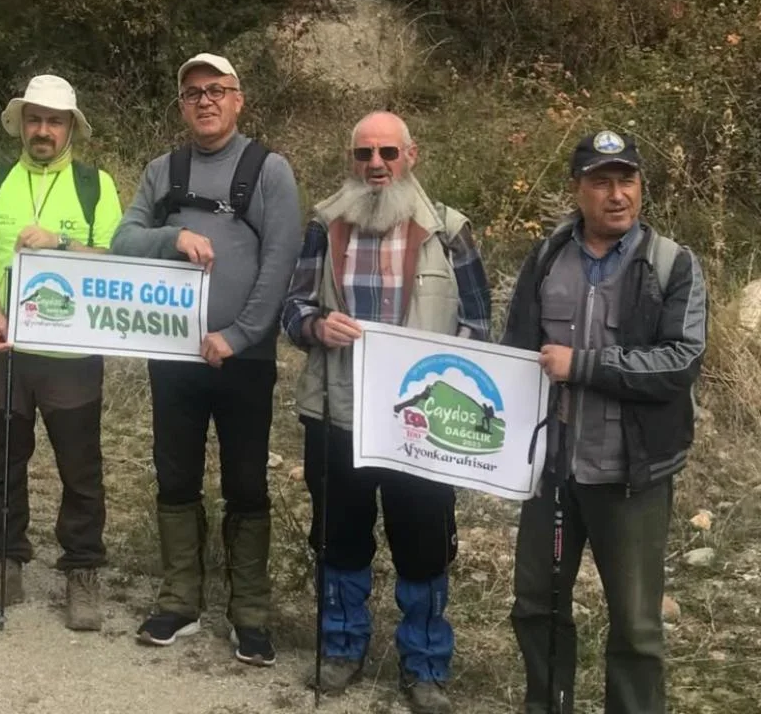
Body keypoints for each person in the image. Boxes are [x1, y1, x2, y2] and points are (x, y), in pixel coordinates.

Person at [280, 111, 491, 712]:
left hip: (420, 426)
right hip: (337, 412)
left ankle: (424, 665)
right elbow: (292, 310)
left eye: (388, 153)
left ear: (411, 155)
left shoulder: (449, 230)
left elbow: (479, 323)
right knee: (338, 538)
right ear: (351, 159)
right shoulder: (325, 225)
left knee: (424, 545)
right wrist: (316, 325)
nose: (376, 164)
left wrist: (446, 375)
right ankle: (342, 647)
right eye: (364, 153)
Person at [502, 131, 707, 714]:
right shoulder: (547, 257)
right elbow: (515, 352)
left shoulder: (672, 264)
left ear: (641, 186)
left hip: (631, 476)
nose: (617, 195)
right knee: (537, 605)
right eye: (601, 182)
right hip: (553, 474)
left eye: (627, 180)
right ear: (577, 189)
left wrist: (584, 365)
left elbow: (681, 362)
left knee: (637, 627)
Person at [110, 53, 302, 666]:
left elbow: (280, 262)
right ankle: (179, 601)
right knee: (175, 476)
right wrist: (173, 237)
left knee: (246, 481)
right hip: (172, 353)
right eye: (193, 92)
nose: (206, 101)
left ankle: (250, 613)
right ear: (181, 105)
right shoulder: (162, 170)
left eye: (217, 90)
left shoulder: (269, 170)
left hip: (243, 359)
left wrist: (239, 335)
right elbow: (123, 239)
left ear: (238, 99)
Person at [0, 74, 123, 631]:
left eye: (55, 121)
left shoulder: (96, 186)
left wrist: (63, 244)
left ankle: (82, 571)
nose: (43, 130)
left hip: (72, 353)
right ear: (21, 124)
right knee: (0, 460)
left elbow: (115, 262)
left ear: (71, 127)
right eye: (35, 119)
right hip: (7, 345)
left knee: (80, 468)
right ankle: (5, 565)